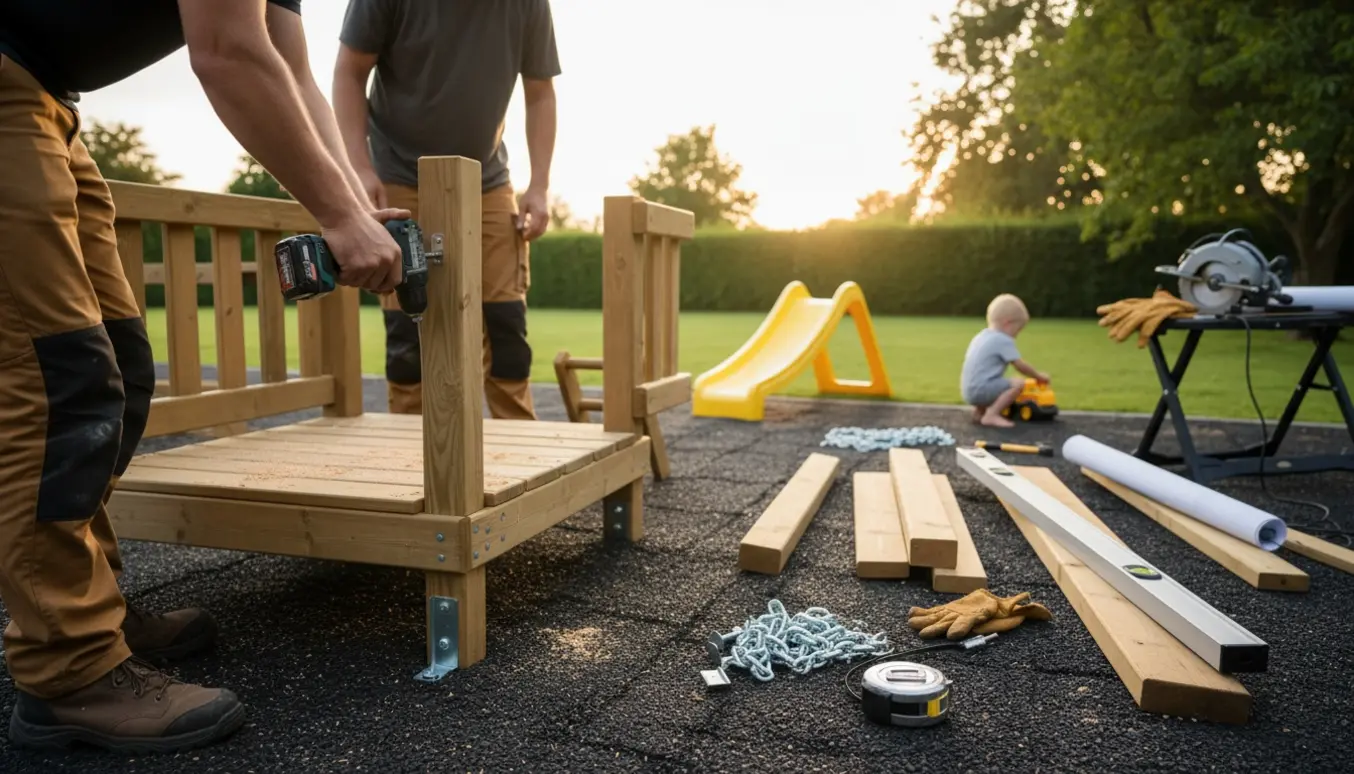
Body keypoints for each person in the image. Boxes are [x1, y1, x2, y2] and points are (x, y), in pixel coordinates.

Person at [0, 0, 407, 754]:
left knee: (117, 366)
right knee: (55, 387)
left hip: (46, 95)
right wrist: (341, 219)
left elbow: (286, 64)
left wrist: (356, 204)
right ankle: (68, 669)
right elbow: (224, 51)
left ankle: (91, 611)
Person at [333, 0, 561, 419]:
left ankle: (519, 448)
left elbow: (541, 93)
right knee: (408, 329)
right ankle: (410, 453)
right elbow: (350, 71)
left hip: (486, 180)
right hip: (397, 177)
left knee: (506, 322)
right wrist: (358, 167)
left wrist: (540, 186)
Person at [960, 293, 1051, 428]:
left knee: (991, 379)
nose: (1017, 334)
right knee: (1018, 383)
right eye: (1018, 330)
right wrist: (1038, 376)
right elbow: (1020, 365)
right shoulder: (1003, 339)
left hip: (967, 391)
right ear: (1007, 323)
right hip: (982, 390)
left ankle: (980, 411)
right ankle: (991, 414)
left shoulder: (981, 336)